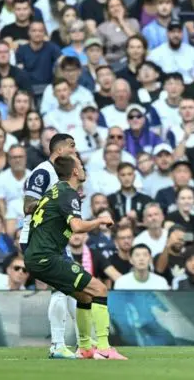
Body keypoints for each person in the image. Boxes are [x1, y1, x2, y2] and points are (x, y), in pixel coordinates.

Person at [24, 154, 127, 360]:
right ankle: (105, 349)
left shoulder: (56, 191)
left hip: (38, 256)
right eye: (80, 164)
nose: (83, 167)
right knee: (99, 289)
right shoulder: (68, 193)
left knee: (84, 295)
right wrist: (99, 221)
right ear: (75, 172)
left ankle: (86, 348)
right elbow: (77, 227)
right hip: (46, 256)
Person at [20, 133, 76, 359]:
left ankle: (87, 342)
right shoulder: (44, 172)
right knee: (62, 288)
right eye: (72, 146)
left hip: (56, 239)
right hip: (38, 238)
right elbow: (27, 206)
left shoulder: (64, 176)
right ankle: (58, 344)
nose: (75, 150)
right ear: (59, 150)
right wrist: (53, 200)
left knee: (74, 290)